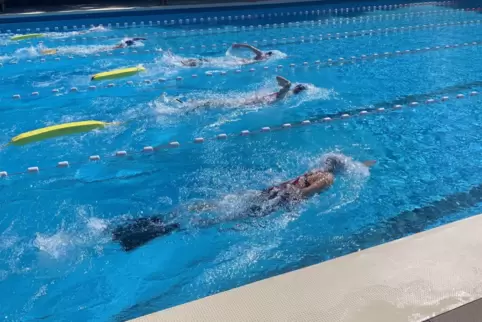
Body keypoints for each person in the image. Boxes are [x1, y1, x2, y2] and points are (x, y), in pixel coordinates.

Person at [112, 153, 376, 251]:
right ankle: (164, 229)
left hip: (267, 190)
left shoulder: (312, 171)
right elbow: (301, 195)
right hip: (275, 201)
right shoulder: (328, 179)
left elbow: (295, 185)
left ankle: (156, 219)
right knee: (225, 217)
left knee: (216, 203)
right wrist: (291, 213)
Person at [175, 76, 308, 112]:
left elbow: (281, 80)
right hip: (250, 103)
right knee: (214, 104)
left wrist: (286, 85)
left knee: (214, 103)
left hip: (248, 104)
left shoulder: (283, 95)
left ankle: (186, 107)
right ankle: (188, 106)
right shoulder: (285, 97)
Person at [177, 43, 274, 67]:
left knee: (209, 61)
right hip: (238, 62)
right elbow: (249, 47)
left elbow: (249, 46)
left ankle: (186, 61)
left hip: (239, 61)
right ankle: (187, 63)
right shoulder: (263, 57)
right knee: (210, 63)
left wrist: (239, 45)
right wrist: (239, 45)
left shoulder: (262, 55)